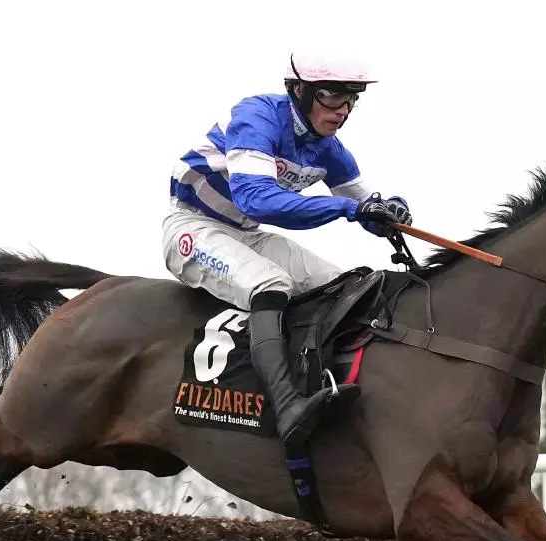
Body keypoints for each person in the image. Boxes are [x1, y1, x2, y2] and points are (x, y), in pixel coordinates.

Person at [162, 52, 412, 448]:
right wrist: (350, 208)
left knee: (347, 285)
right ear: (300, 90)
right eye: (332, 97)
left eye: (351, 100)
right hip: (193, 228)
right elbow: (257, 200)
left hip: (246, 234)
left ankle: (327, 382)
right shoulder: (257, 116)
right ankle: (287, 407)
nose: (343, 110)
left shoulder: (328, 148)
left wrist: (390, 209)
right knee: (270, 283)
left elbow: (366, 206)